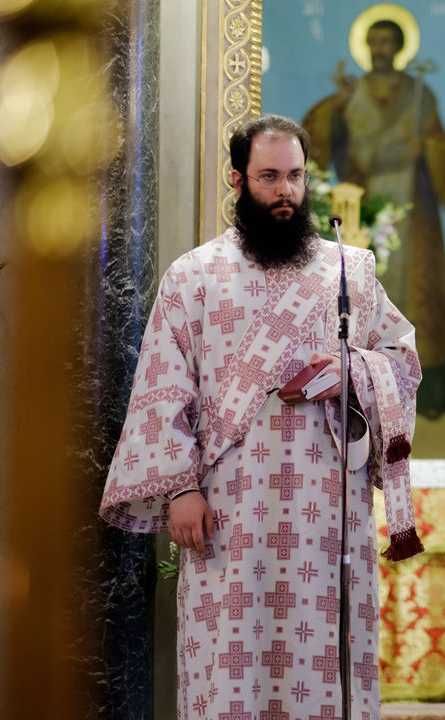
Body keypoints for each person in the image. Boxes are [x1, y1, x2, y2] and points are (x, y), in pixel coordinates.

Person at [99, 115, 423, 720]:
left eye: (295, 176)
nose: (285, 192)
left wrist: (351, 372)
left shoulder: (348, 272)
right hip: (229, 511)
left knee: (324, 662)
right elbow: (163, 390)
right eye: (269, 177)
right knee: (230, 664)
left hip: (326, 513)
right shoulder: (192, 276)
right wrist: (179, 489)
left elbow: (401, 361)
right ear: (238, 179)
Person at [303, 17, 445, 419]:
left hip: (413, 205)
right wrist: (336, 109)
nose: (379, 48)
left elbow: (444, 144)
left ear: (398, 46)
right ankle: (362, 384)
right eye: (373, 41)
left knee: (420, 296)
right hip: (364, 203)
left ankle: (424, 393)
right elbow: (318, 140)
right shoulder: (350, 94)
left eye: (387, 41)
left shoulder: (419, 93)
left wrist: (426, 145)